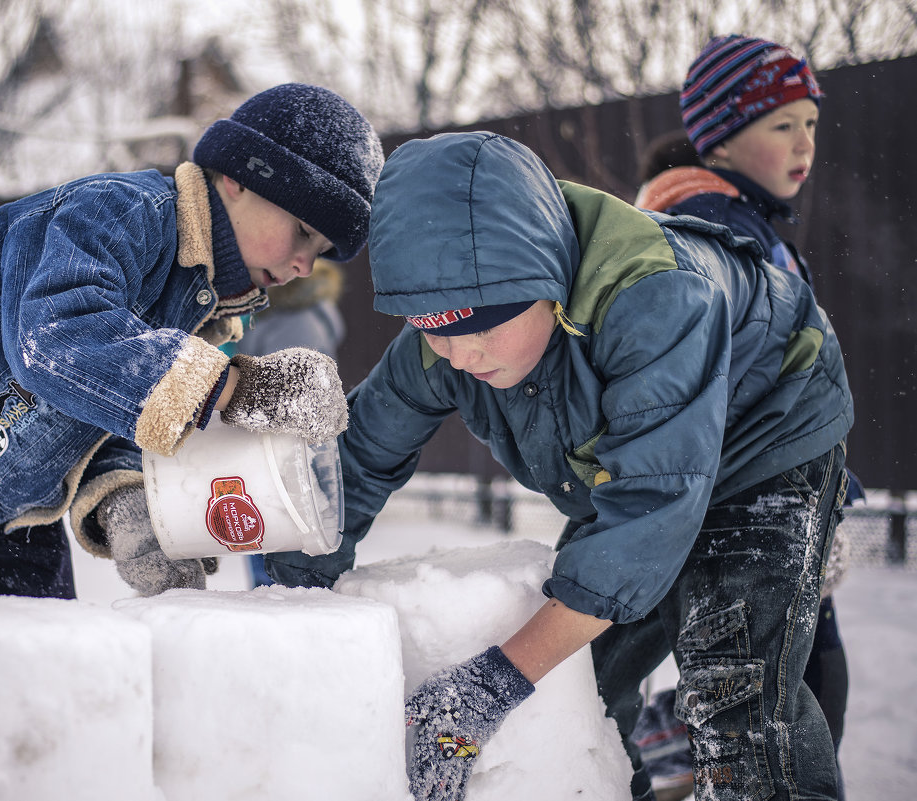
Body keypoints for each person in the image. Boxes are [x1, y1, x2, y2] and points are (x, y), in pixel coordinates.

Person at [265, 131, 853, 801]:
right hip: (641, 466)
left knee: (734, 689)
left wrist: (492, 682)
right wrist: (299, 612)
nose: (458, 353)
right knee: (578, 689)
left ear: (544, 277)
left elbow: (641, 525)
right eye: (433, 326)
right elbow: (355, 463)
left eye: (482, 323)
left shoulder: (652, 298)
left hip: (764, 435)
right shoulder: (441, 340)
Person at [0, 83, 384, 610]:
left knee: (52, 662)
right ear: (240, 177)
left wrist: (132, 511)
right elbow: (57, 338)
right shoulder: (123, 212)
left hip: (23, 497)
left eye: (322, 250)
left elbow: (113, 409)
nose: (305, 264)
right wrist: (236, 387)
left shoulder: (206, 309)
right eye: (304, 232)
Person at [634, 36, 860, 799]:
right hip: (756, 495)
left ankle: (675, 744)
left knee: (783, 699)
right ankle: (669, 746)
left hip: (775, 486)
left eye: (810, 123)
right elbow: (744, 373)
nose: (803, 144)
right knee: (789, 707)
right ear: (720, 135)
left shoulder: (745, 219)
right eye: (779, 125)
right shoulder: (711, 223)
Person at [237, 256, 347, 587]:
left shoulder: (293, 320)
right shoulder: (300, 310)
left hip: (282, 453)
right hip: (280, 449)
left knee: (278, 540)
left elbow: (291, 403)